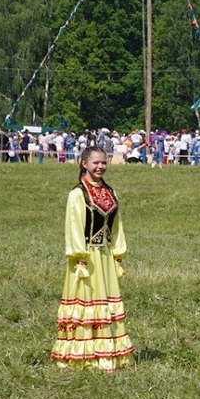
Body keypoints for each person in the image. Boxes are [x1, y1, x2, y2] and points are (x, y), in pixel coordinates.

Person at [52, 148, 136, 370]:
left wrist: (118, 253)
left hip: (105, 256)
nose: (100, 166)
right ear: (84, 164)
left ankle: (109, 353)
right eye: (95, 163)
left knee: (106, 301)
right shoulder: (78, 194)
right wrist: (80, 257)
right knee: (87, 301)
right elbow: (74, 227)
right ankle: (84, 355)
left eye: (103, 163)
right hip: (86, 257)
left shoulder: (111, 192)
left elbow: (117, 226)